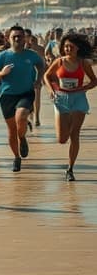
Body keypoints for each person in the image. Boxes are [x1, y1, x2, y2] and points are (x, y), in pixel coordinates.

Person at [0, 25, 45, 173]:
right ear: (9, 39)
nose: (17, 39)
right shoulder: (2, 56)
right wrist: (1, 73)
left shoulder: (31, 55)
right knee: (12, 130)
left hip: (26, 93)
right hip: (7, 96)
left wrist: (39, 79)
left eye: (20, 36)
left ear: (25, 39)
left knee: (21, 115)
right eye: (14, 37)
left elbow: (41, 65)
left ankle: (22, 138)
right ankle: (16, 157)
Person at [43, 33, 96, 181]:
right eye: (66, 46)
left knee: (75, 134)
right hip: (61, 99)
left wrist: (83, 88)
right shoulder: (59, 62)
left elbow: (94, 81)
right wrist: (51, 90)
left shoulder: (83, 63)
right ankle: (62, 118)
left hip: (78, 99)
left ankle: (70, 169)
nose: (68, 49)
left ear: (77, 48)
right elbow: (46, 76)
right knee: (62, 139)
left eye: (71, 47)